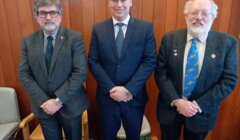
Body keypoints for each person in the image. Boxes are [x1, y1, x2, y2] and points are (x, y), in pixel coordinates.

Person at [155, 0, 238, 139]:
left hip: (201, 113)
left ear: (213, 17)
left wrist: (197, 105)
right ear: (186, 16)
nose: (199, 17)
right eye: (194, 12)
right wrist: (176, 101)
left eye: (205, 13)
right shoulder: (169, 38)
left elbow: (229, 80)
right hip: (170, 108)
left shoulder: (227, 43)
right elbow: (161, 72)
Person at [18, 0, 89, 139]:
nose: (48, 17)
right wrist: (45, 102)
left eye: (52, 12)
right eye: (43, 13)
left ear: (60, 15)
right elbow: (24, 73)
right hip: (44, 108)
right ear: (37, 16)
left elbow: (80, 72)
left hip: (71, 106)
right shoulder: (28, 41)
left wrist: (57, 101)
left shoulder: (75, 38)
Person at [88, 0, 156, 139]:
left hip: (134, 97)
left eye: (123, 0)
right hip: (107, 98)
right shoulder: (98, 28)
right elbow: (93, 61)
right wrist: (111, 88)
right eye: (114, 0)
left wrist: (128, 89)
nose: (119, 4)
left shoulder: (145, 28)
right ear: (108, 3)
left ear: (131, 2)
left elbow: (149, 61)